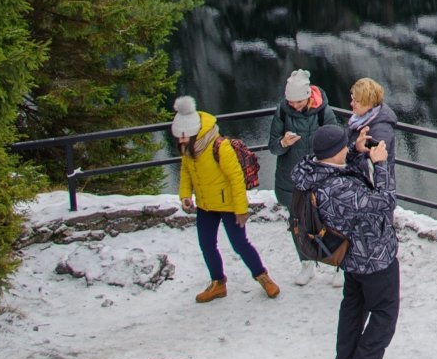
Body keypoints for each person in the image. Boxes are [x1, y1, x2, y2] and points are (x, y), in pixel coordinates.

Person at [293, 123, 400, 359]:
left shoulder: (315, 172)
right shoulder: (340, 189)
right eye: (345, 145)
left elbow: (339, 170)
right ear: (335, 150)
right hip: (373, 258)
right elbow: (385, 201)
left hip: (350, 257)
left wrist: (356, 152)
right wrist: (381, 164)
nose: (348, 147)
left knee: (353, 310)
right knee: (384, 314)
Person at [170, 95, 280, 303]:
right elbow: (186, 171)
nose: (181, 141)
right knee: (207, 244)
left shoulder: (219, 146)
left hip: (228, 205)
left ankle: (262, 276)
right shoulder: (188, 149)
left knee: (240, 244)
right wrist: (185, 194)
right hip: (205, 204)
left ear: (193, 133)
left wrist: (241, 210)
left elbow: (236, 179)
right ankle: (218, 283)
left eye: (184, 137)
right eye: (179, 137)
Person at [268, 68, 337, 286]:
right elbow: (272, 146)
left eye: (298, 102)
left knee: (330, 221)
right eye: (291, 102)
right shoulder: (282, 111)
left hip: (319, 177)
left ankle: (339, 265)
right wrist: (283, 144)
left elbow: (336, 141)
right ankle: (306, 264)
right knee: (297, 223)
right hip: (293, 179)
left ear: (308, 97)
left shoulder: (323, 112)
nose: (294, 106)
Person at [346, 77, 398, 185]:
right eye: (352, 98)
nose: (352, 103)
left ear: (369, 103)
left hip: (370, 186)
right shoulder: (360, 119)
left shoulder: (381, 130)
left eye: (357, 101)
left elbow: (376, 163)